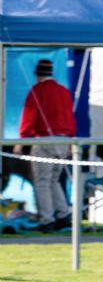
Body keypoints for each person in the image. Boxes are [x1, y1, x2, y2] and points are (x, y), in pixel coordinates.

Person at [14, 59, 76, 232]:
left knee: (42, 182)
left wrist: (21, 141)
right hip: (64, 140)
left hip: (44, 140)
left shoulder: (37, 90)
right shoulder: (64, 91)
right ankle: (63, 214)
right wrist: (71, 141)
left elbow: (29, 116)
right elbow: (71, 118)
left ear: (38, 75)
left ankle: (46, 219)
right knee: (54, 180)